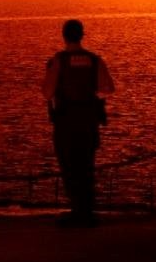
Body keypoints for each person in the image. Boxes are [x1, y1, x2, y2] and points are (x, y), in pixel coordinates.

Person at [42, 19, 115, 227]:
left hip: (66, 122)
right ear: (82, 35)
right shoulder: (94, 60)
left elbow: (47, 92)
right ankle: (87, 211)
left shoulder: (58, 61)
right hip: (88, 122)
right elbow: (108, 88)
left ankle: (77, 211)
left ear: (64, 36)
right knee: (87, 165)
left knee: (69, 166)